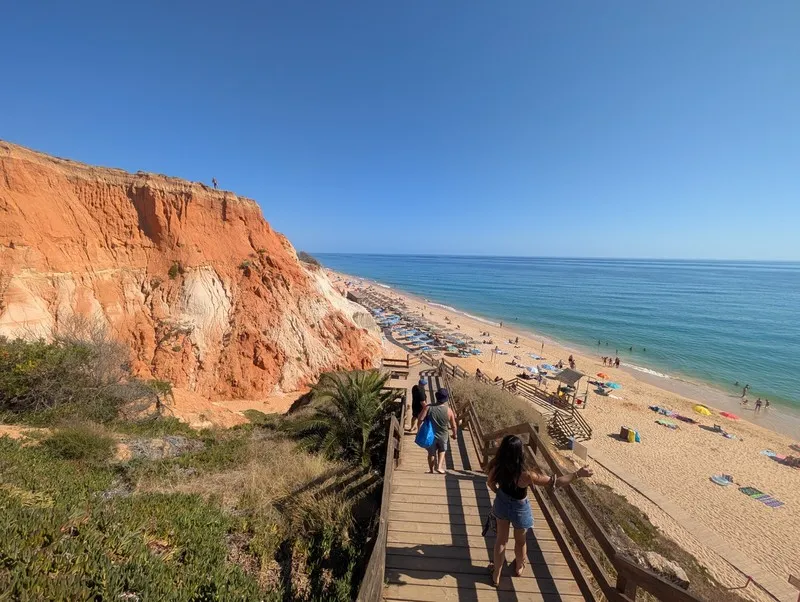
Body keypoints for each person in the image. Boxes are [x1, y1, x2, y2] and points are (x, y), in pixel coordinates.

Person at [487, 435, 592, 586]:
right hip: (519, 508)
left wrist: (498, 494)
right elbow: (555, 483)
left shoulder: (498, 465)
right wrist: (577, 474)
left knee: (501, 541)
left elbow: (490, 482)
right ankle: (518, 568)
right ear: (520, 453)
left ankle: (496, 574)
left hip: (502, 503)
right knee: (521, 542)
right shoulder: (527, 475)